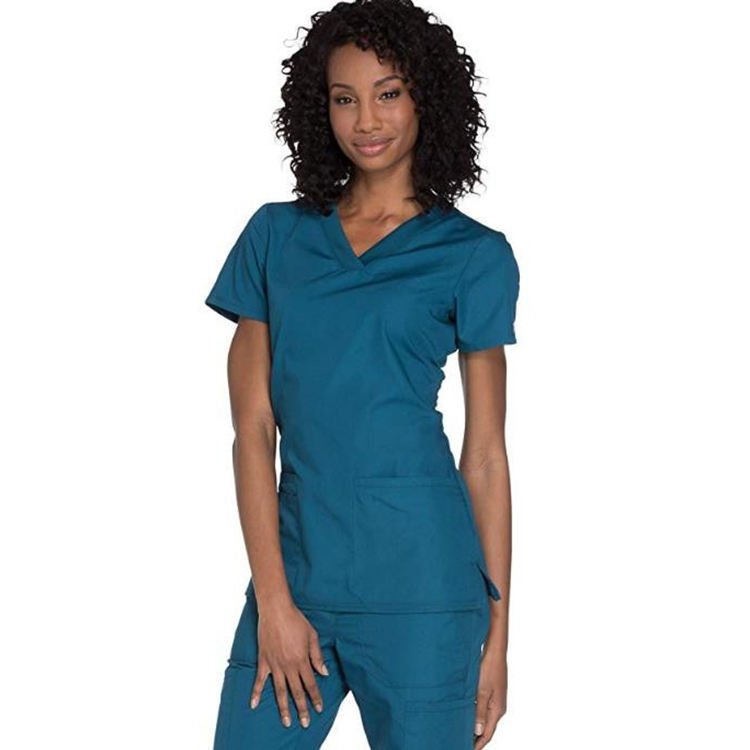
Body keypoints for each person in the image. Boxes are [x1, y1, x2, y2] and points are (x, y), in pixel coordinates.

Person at [204, 1, 520, 747]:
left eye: (389, 93)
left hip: (426, 589)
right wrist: (275, 603)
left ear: (425, 100)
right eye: (345, 98)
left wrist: (498, 639)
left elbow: (484, 455)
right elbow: (252, 431)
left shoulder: (473, 254)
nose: (367, 120)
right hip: (299, 576)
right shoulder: (275, 238)